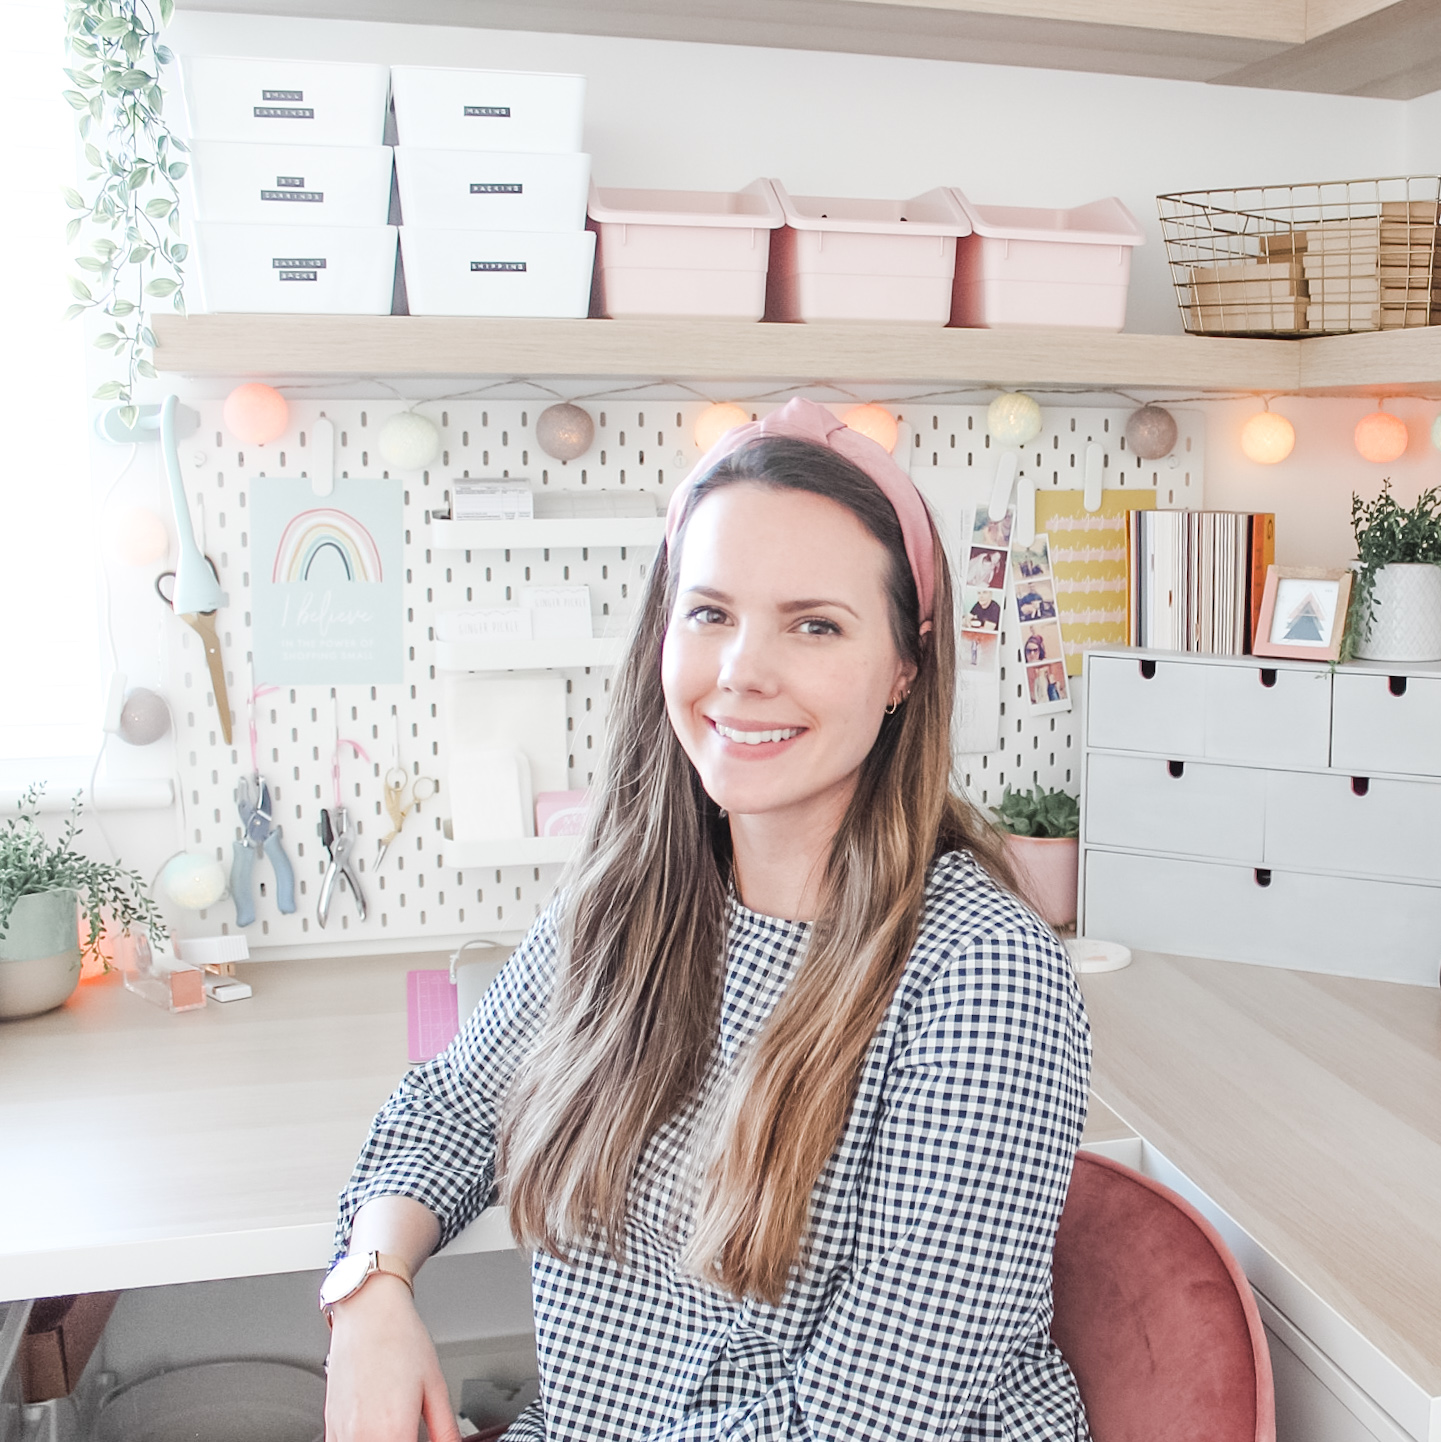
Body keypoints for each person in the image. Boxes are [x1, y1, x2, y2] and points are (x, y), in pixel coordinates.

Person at [321, 400, 1091, 1442]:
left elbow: (868, 1422)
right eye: (710, 612)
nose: (742, 671)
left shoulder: (982, 974)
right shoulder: (626, 902)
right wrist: (370, 1287)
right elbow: (449, 1112)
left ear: (905, 666)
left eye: (814, 624)